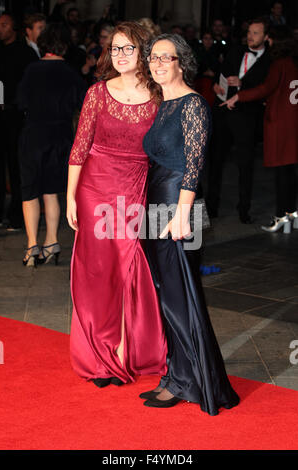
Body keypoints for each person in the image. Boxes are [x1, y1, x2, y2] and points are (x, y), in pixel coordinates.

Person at [140, 33, 240, 415]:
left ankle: (192, 382)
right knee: (168, 294)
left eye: (166, 57)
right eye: (153, 58)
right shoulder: (164, 103)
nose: (158, 64)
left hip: (178, 207)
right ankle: (177, 374)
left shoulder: (193, 103)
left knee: (181, 296)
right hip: (157, 204)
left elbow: (194, 165)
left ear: (183, 62)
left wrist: (181, 214)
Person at [67, 22, 167, 388]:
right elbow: (79, 147)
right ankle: (99, 355)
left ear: (142, 52)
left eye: (128, 48)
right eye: (115, 48)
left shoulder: (159, 95)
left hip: (134, 188)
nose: (120, 55)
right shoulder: (97, 92)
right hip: (94, 188)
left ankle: (127, 351)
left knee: (128, 268)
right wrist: (70, 197)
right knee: (98, 272)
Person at [17, 23, 87, 266]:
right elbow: (84, 105)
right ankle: (52, 242)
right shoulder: (70, 72)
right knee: (51, 193)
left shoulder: (31, 70)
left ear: (44, 44)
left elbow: (21, 102)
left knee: (30, 193)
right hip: (60, 137)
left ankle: (31, 246)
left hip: (34, 135)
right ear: (64, 46)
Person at [221, 26, 298, 233]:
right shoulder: (293, 63)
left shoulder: (279, 64)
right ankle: (291, 213)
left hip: (281, 123)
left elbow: (266, 88)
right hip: (293, 122)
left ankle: (282, 215)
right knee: (290, 171)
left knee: (282, 172)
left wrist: (240, 96)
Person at [206, 17, 271, 223]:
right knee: (215, 161)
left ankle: (244, 209)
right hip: (223, 112)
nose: (251, 36)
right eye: (250, 32)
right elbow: (219, 73)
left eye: (256, 33)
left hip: (246, 116)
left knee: (245, 165)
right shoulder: (235, 50)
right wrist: (216, 85)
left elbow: (265, 88)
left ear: (265, 37)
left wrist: (243, 84)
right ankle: (211, 206)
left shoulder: (270, 60)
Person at [0, 13, 38, 230]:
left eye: (4, 25)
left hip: (16, 116)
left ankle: (16, 214)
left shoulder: (25, 53)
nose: (0, 29)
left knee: (16, 165)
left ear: (14, 28)